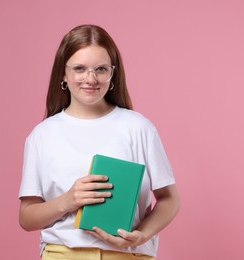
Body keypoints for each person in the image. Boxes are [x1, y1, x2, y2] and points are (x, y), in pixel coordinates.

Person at [18, 24, 180, 260]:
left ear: (113, 73)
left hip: (126, 254)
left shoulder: (138, 128)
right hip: (62, 254)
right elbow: (27, 218)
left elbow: (169, 198)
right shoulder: (42, 135)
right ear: (63, 73)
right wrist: (68, 200)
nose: (90, 79)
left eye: (101, 69)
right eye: (80, 68)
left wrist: (142, 235)